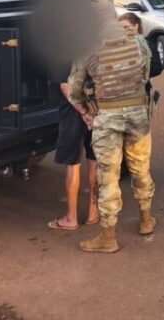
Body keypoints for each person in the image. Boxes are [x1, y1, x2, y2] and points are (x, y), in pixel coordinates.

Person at [69, 0, 155, 254]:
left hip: (107, 117)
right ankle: (146, 219)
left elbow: (74, 91)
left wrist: (87, 108)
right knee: (141, 167)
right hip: (138, 113)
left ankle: (108, 237)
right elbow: (146, 74)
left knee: (108, 175)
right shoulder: (138, 41)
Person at [47, 50, 99, 232]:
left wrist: (82, 112)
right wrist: (90, 113)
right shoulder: (96, 48)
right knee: (94, 161)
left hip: (73, 114)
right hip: (97, 110)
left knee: (73, 164)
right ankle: (94, 211)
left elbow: (65, 87)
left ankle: (71, 217)